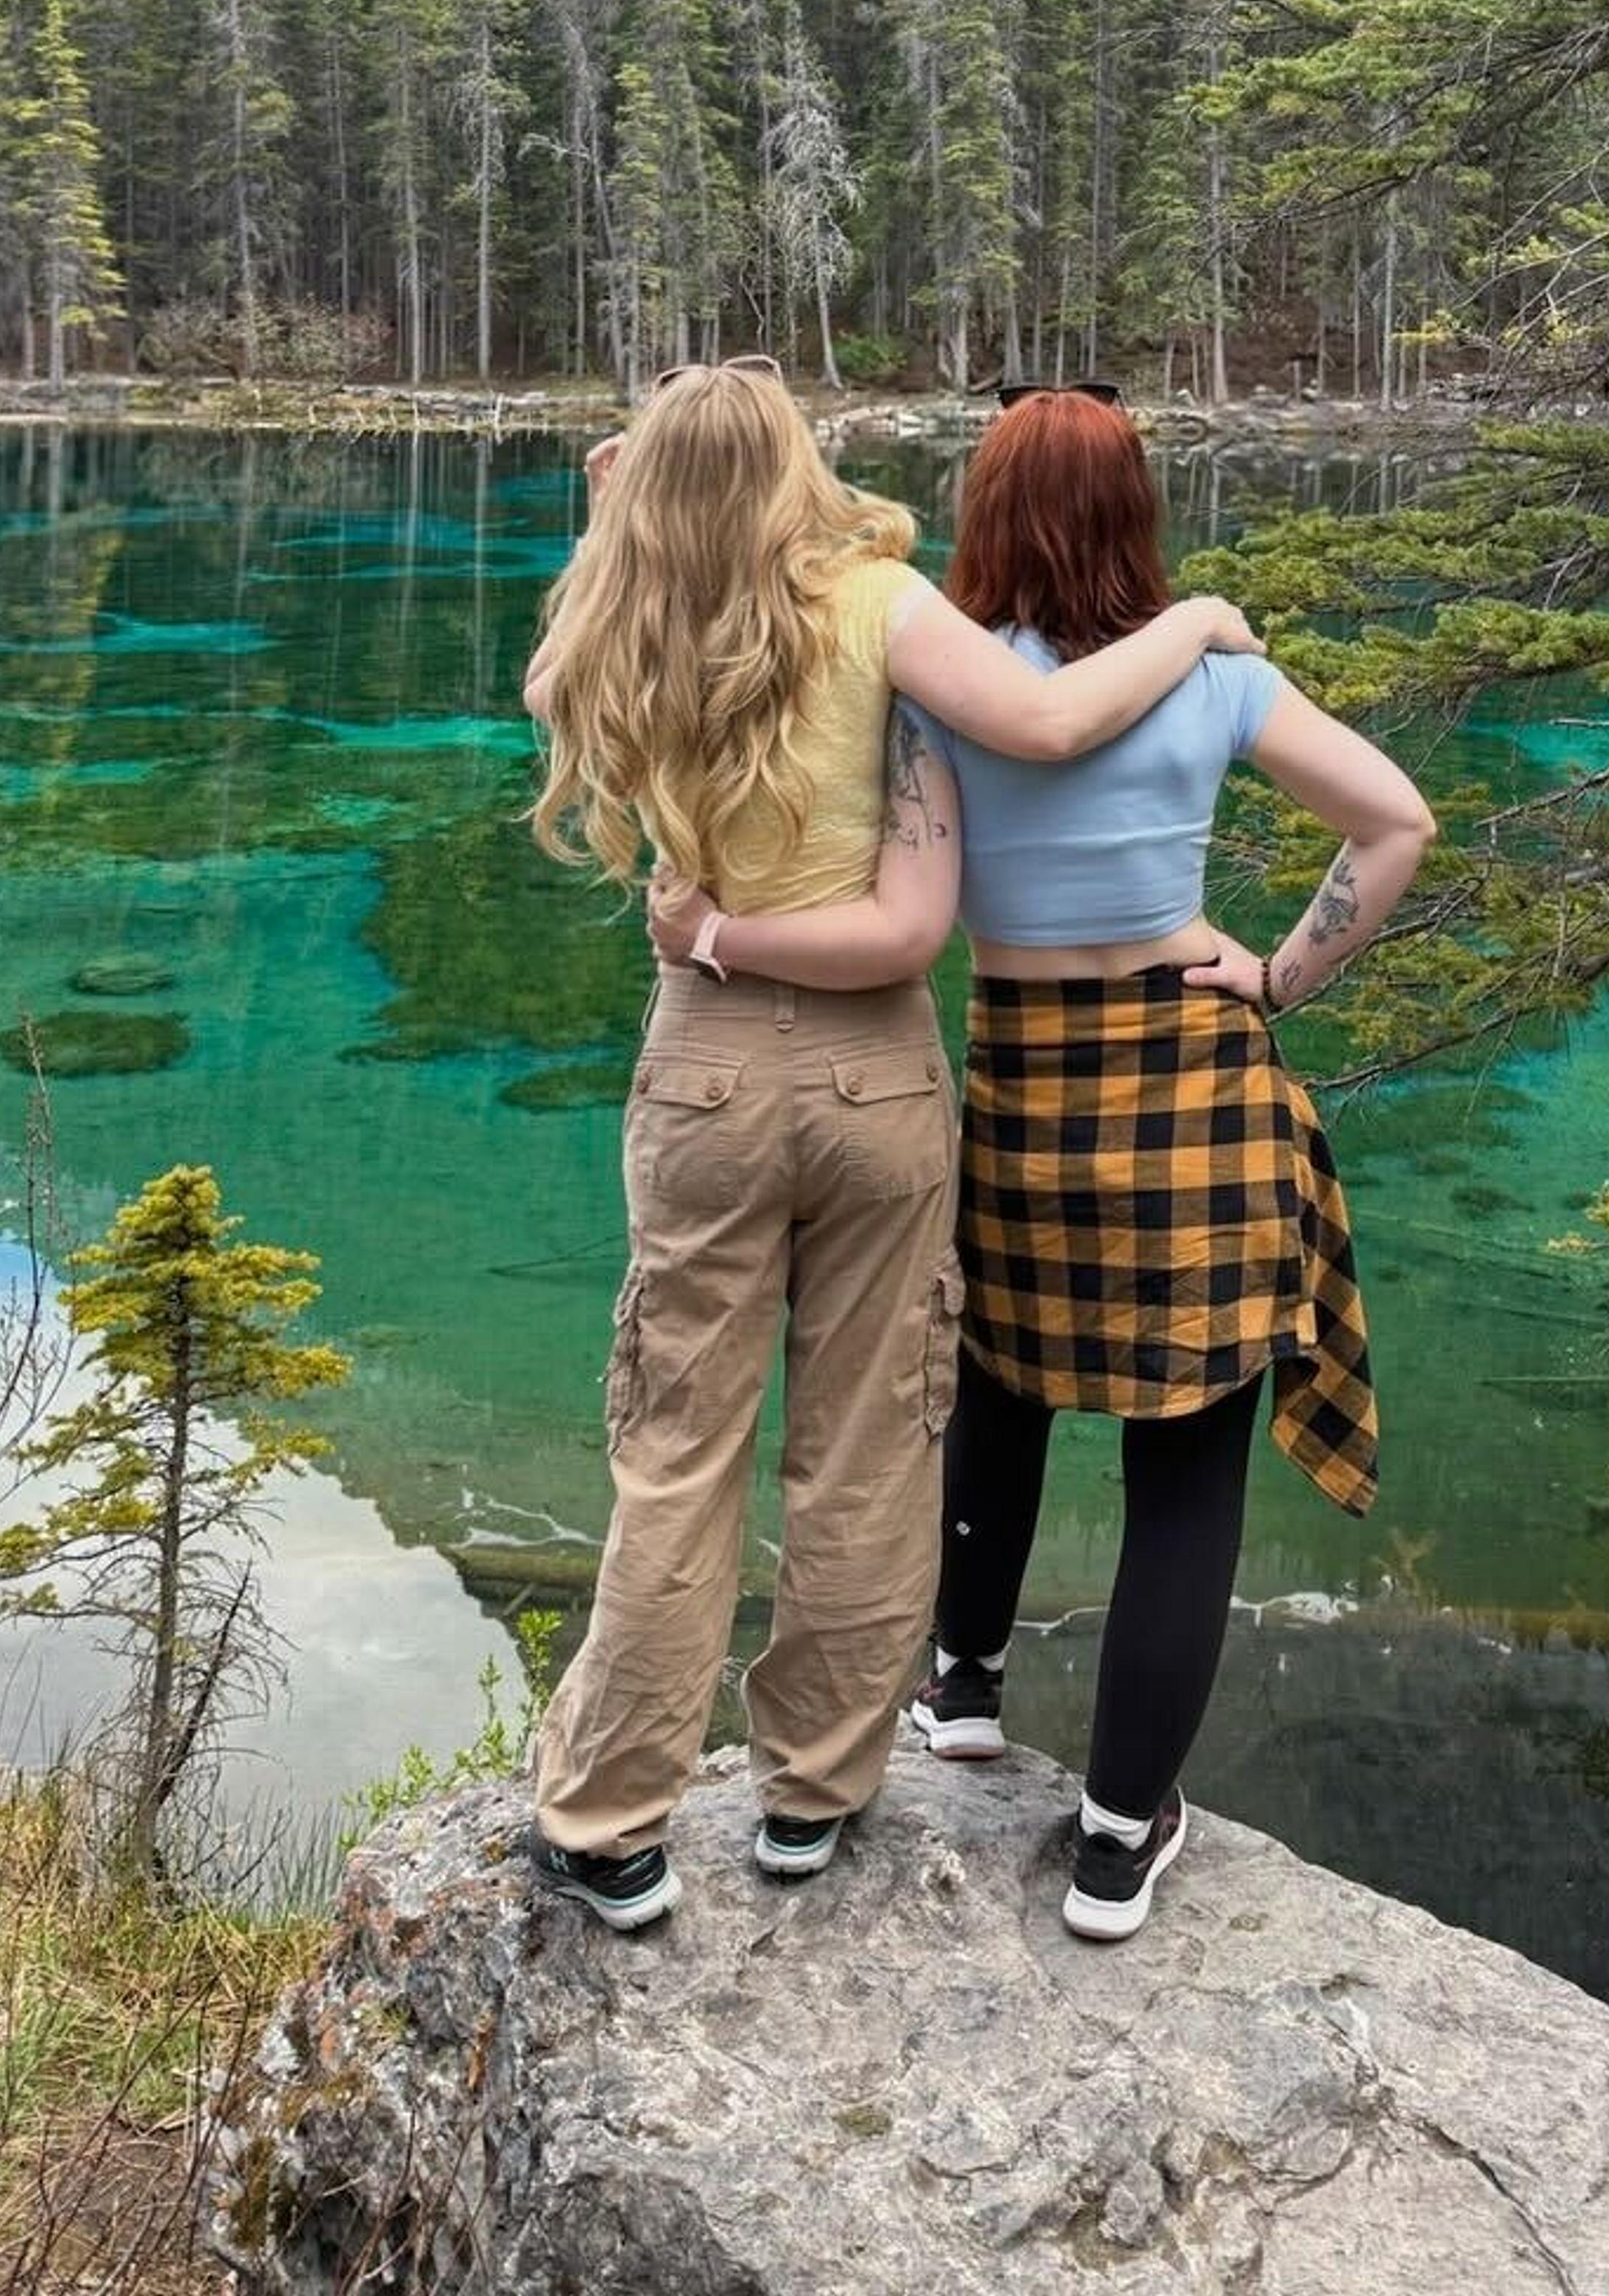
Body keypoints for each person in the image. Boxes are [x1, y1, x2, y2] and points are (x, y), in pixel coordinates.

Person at [651, 384, 1431, 1941]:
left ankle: (964, 1688)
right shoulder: (1217, 678)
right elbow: (1396, 823)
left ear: (987, 515)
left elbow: (889, 874)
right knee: (1182, 1473)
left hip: (1020, 1082)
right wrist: (1280, 975)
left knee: (999, 1385)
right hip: (1194, 1080)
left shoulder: (934, 682)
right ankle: (1118, 1841)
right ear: (1138, 518)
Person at [520, 357, 1262, 1932]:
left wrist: (626, 510)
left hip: (708, 1068)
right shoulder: (877, 605)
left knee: (678, 1450)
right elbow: (1049, 715)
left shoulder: (626, 612)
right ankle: (812, 1795)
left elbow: (588, 602)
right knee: (867, 1443)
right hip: (876, 1081)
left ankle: (613, 1823)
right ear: (798, 461)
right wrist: (1198, 620)